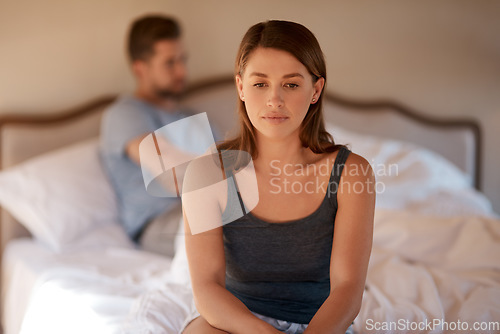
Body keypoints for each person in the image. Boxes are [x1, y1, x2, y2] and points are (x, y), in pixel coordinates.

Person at [181, 20, 375, 334]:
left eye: (291, 84)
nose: (275, 100)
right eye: (260, 84)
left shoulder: (352, 172)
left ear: (316, 90)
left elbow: (348, 288)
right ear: (241, 87)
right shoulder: (209, 173)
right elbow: (207, 287)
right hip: (238, 324)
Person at [99, 15, 216, 256]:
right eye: (169, 63)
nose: (182, 70)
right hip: (159, 222)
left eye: (183, 59)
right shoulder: (124, 114)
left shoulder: (190, 116)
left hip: (209, 208)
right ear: (140, 69)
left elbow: (232, 160)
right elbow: (171, 173)